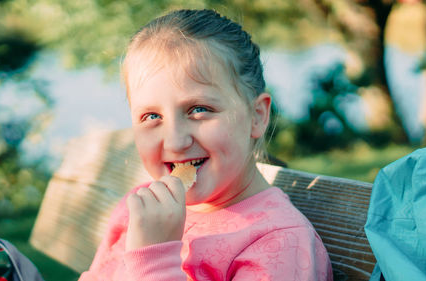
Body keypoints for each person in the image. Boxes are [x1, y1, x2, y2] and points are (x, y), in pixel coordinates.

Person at [79, 9, 332, 280]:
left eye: (199, 109)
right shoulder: (140, 210)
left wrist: (153, 257)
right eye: (152, 116)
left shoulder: (280, 244)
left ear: (257, 116)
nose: (176, 141)